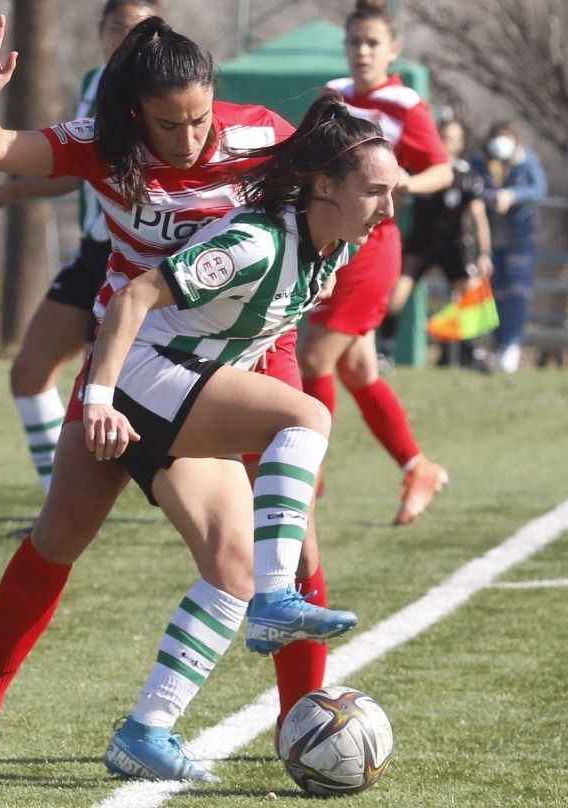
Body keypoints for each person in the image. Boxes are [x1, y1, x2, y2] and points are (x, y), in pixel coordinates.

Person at [0, 11, 350, 775]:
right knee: (60, 533)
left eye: (200, 118)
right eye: (168, 124)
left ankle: (300, 719)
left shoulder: (258, 133)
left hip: (250, 355)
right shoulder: (103, 143)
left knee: (289, 541)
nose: (189, 138)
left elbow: (330, 180)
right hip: (133, 362)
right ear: (133, 114)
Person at [85, 94, 391, 781]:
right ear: (325, 186)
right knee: (307, 416)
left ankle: (145, 731)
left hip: (182, 387)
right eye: (375, 191)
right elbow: (134, 297)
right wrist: (97, 399)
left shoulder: (331, 251)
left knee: (232, 568)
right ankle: (277, 601)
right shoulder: (256, 242)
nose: (388, 207)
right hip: (143, 376)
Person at [0, 0, 160, 492]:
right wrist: (7, 193)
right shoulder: (95, 83)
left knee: (113, 392)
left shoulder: (162, 92)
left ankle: (192, 482)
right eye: (117, 28)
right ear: (100, 31)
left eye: (139, 30)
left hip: (139, 265)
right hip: (94, 254)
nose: (125, 39)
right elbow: (77, 164)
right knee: (30, 373)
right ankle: (57, 495)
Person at [303, 0, 454, 527]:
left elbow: (441, 169)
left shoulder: (405, 103)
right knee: (358, 369)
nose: (362, 52)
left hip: (373, 246)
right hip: (332, 244)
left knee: (314, 360)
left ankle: (307, 472)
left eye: (372, 43)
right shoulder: (334, 95)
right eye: (354, 42)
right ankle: (418, 468)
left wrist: (407, 180)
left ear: (393, 50)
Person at [384, 117, 489, 368]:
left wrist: (485, 252)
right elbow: (398, 201)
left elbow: (478, 215)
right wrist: (390, 233)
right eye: (443, 138)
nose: (447, 143)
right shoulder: (420, 169)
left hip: (453, 246)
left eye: (452, 139)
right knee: (395, 296)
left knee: (472, 291)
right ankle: (384, 352)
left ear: (460, 144)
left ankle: (472, 351)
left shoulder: (467, 175)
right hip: (420, 245)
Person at [475, 122, 547, 374]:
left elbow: (539, 189)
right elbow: (472, 187)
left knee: (517, 293)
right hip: (487, 241)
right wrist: (491, 196)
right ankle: (494, 345)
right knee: (490, 295)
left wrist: (512, 195)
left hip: (520, 239)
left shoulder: (527, 161)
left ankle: (511, 344)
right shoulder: (480, 162)